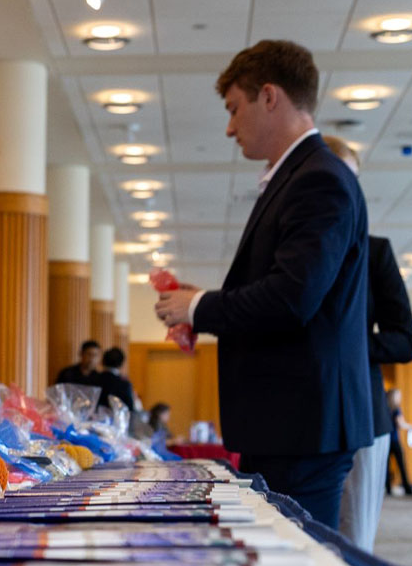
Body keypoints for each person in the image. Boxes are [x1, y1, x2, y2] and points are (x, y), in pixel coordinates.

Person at [153, 39, 372, 529]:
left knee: (297, 564)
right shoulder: (298, 176)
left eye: (234, 109)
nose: (230, 127)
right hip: (288, 422)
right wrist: (199, 302)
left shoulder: (319, 179)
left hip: (302, 425)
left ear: (269, 96)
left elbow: (293, 296)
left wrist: (198, 308)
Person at [324, 136, 412, 551]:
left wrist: (347, 346)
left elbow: (404, 342)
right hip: (298, 418)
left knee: (354, 540)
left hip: (363, 413)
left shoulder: (376, 253)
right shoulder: (287, 249)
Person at [385, 389, 412, 496]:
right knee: (401, 465)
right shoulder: (396, 409)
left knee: (386, 466)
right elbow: (400, 424)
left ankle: (388, 489)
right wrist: (411, 426)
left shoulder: (384, 408)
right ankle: (407, 488)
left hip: (385, 441)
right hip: (394, 440)